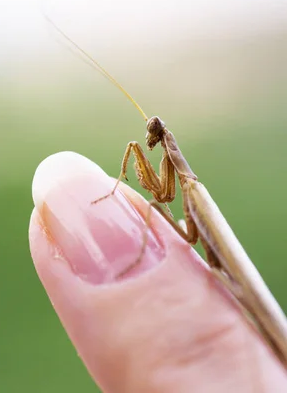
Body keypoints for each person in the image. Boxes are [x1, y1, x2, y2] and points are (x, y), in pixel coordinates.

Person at [28, 151, 287, 392]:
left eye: (152, 133)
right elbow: (173, 207)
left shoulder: (192, 189)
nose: (148, 140)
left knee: (152, 205)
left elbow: (165, 204)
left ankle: (140, 254)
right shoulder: (190, 186)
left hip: (244, 288)